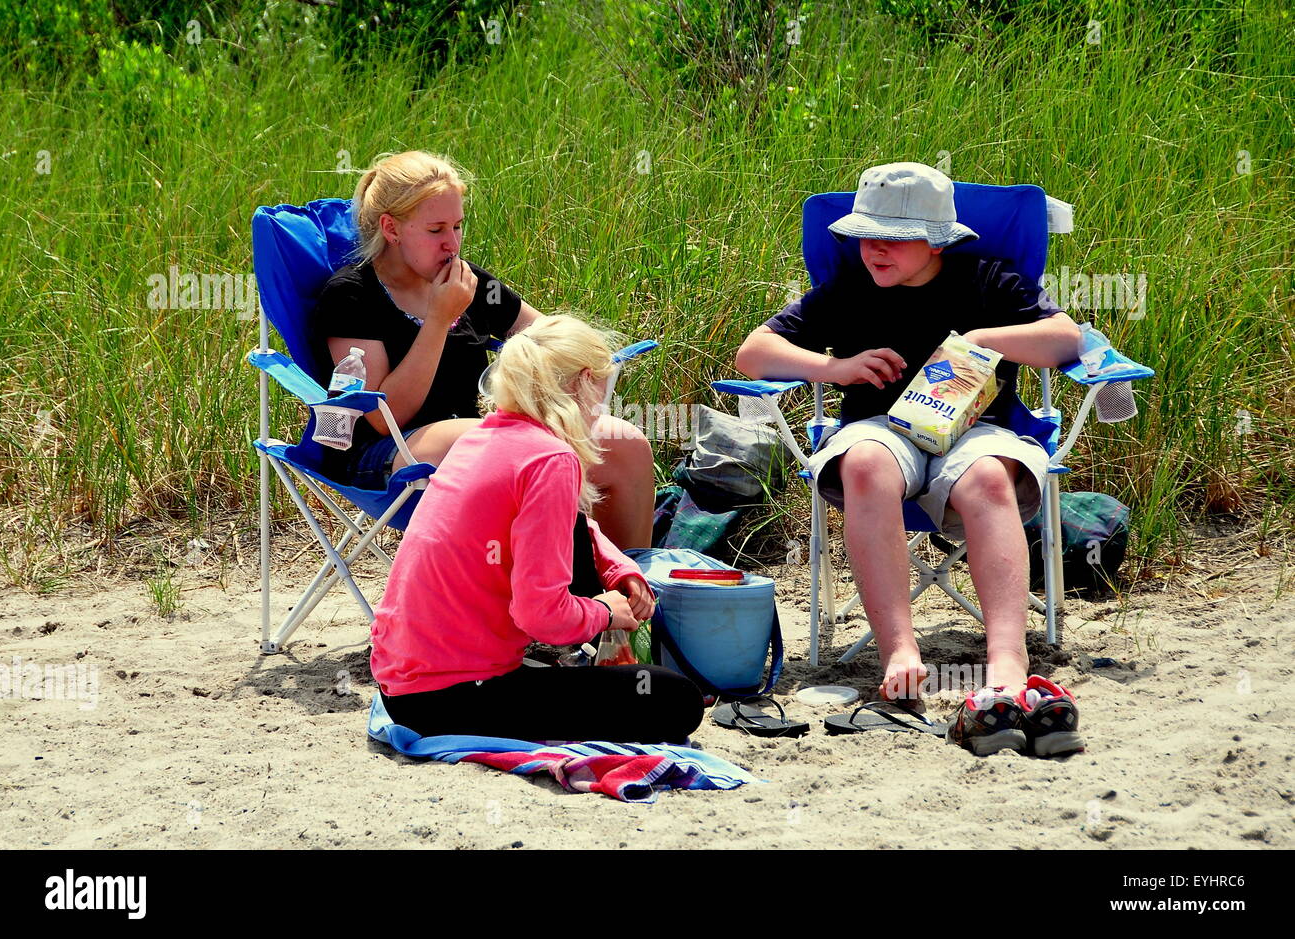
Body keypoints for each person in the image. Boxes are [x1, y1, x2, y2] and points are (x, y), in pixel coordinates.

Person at [735, 162, 1085, 755]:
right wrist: (834, 368)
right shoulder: (850, 286)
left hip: (977, 431)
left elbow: (1065, 341)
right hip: (878, 430)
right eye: (864, 234)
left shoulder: (986, 280)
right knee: (866, 465)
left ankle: (1007, 656)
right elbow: (753, 354)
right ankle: (899, 648)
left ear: (937, 239)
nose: (873, 248)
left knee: (987, 480)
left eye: (891, 236)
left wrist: (982, 341)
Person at [369, 314, 705, 743]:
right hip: (455, 698)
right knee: (673, 697)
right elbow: (539, 616)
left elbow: (570, 527)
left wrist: (620, 567)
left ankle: (546, 669)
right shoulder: (551, 460)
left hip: (404, 685)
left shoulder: (478, 439)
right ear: (586, 381)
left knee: (637, 675)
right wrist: (606, 612)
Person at [311, 150, 653, 548]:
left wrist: (584, 363)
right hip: (388, 454)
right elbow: (384, 416)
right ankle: (550, 590)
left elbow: (543, 335)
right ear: (391, 228)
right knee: (524, 446)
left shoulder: (468, 282)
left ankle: (624, 595)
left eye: (458, 226)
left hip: (481, 434)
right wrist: (439, 320)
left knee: (624, 444)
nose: (452, 243)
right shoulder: (352, 297)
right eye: (436, 230)